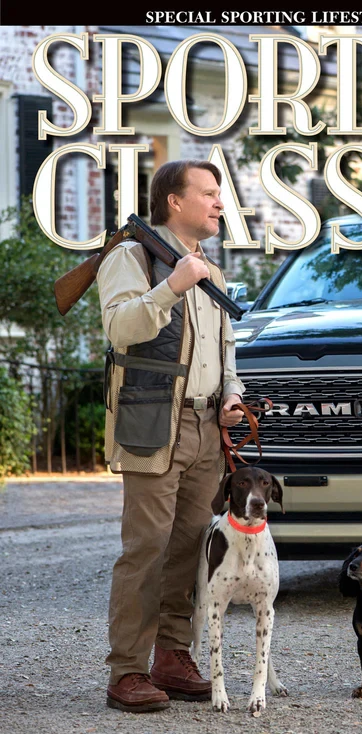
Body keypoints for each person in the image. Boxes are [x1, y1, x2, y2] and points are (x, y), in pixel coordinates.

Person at [96, 159, 245, 712]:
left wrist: (231, 393)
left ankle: (173, 658)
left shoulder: (211, 267)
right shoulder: (130, 256)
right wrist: (171, 288)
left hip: (208, 425)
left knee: (187, 550)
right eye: (208, 194)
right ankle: (127, 671)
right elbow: (120, 328)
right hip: (154, 423)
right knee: (146, 551)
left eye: (219, 194)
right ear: (173, 202)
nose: (219, 203)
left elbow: (227, 350)